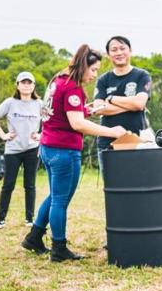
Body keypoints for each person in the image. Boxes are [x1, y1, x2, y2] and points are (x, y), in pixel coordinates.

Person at [22, 45, 127, 261]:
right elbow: (78, 124)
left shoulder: (57, 80)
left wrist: (88, 109)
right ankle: (58, 249)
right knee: (60, 200)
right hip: (64, 151)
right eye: (94, 69)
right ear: (83, 66)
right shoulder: (72, 87)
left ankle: (34, 236)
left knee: (54, 196)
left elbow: (63, 112)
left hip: (48, 147)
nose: (94, 74)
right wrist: (112, 131)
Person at [0, 71, 42, 228]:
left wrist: (41, 135)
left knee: (30, 185)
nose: (26, 85)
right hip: (13, 150)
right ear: (17, 85)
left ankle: (29, 219)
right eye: (23, 83)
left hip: (32, 149)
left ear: (33, 86)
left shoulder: (39, 103)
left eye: (29, 83)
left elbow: (51, 121)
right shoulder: (10, 102)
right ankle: (0, 219)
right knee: (8, 184)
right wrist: (3, 135)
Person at [91, 35, 152, 157]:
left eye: (122, 48)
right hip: (107, 143)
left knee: (138, 176)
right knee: (110, 177)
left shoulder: (142, 75)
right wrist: (132, 105)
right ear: (108, 55)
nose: (119, 53)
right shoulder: (103, 80)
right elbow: (98, 108)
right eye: (114, 50)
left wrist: (111, 99)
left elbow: (139, 103)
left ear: (130, 51)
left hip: (136, 141)